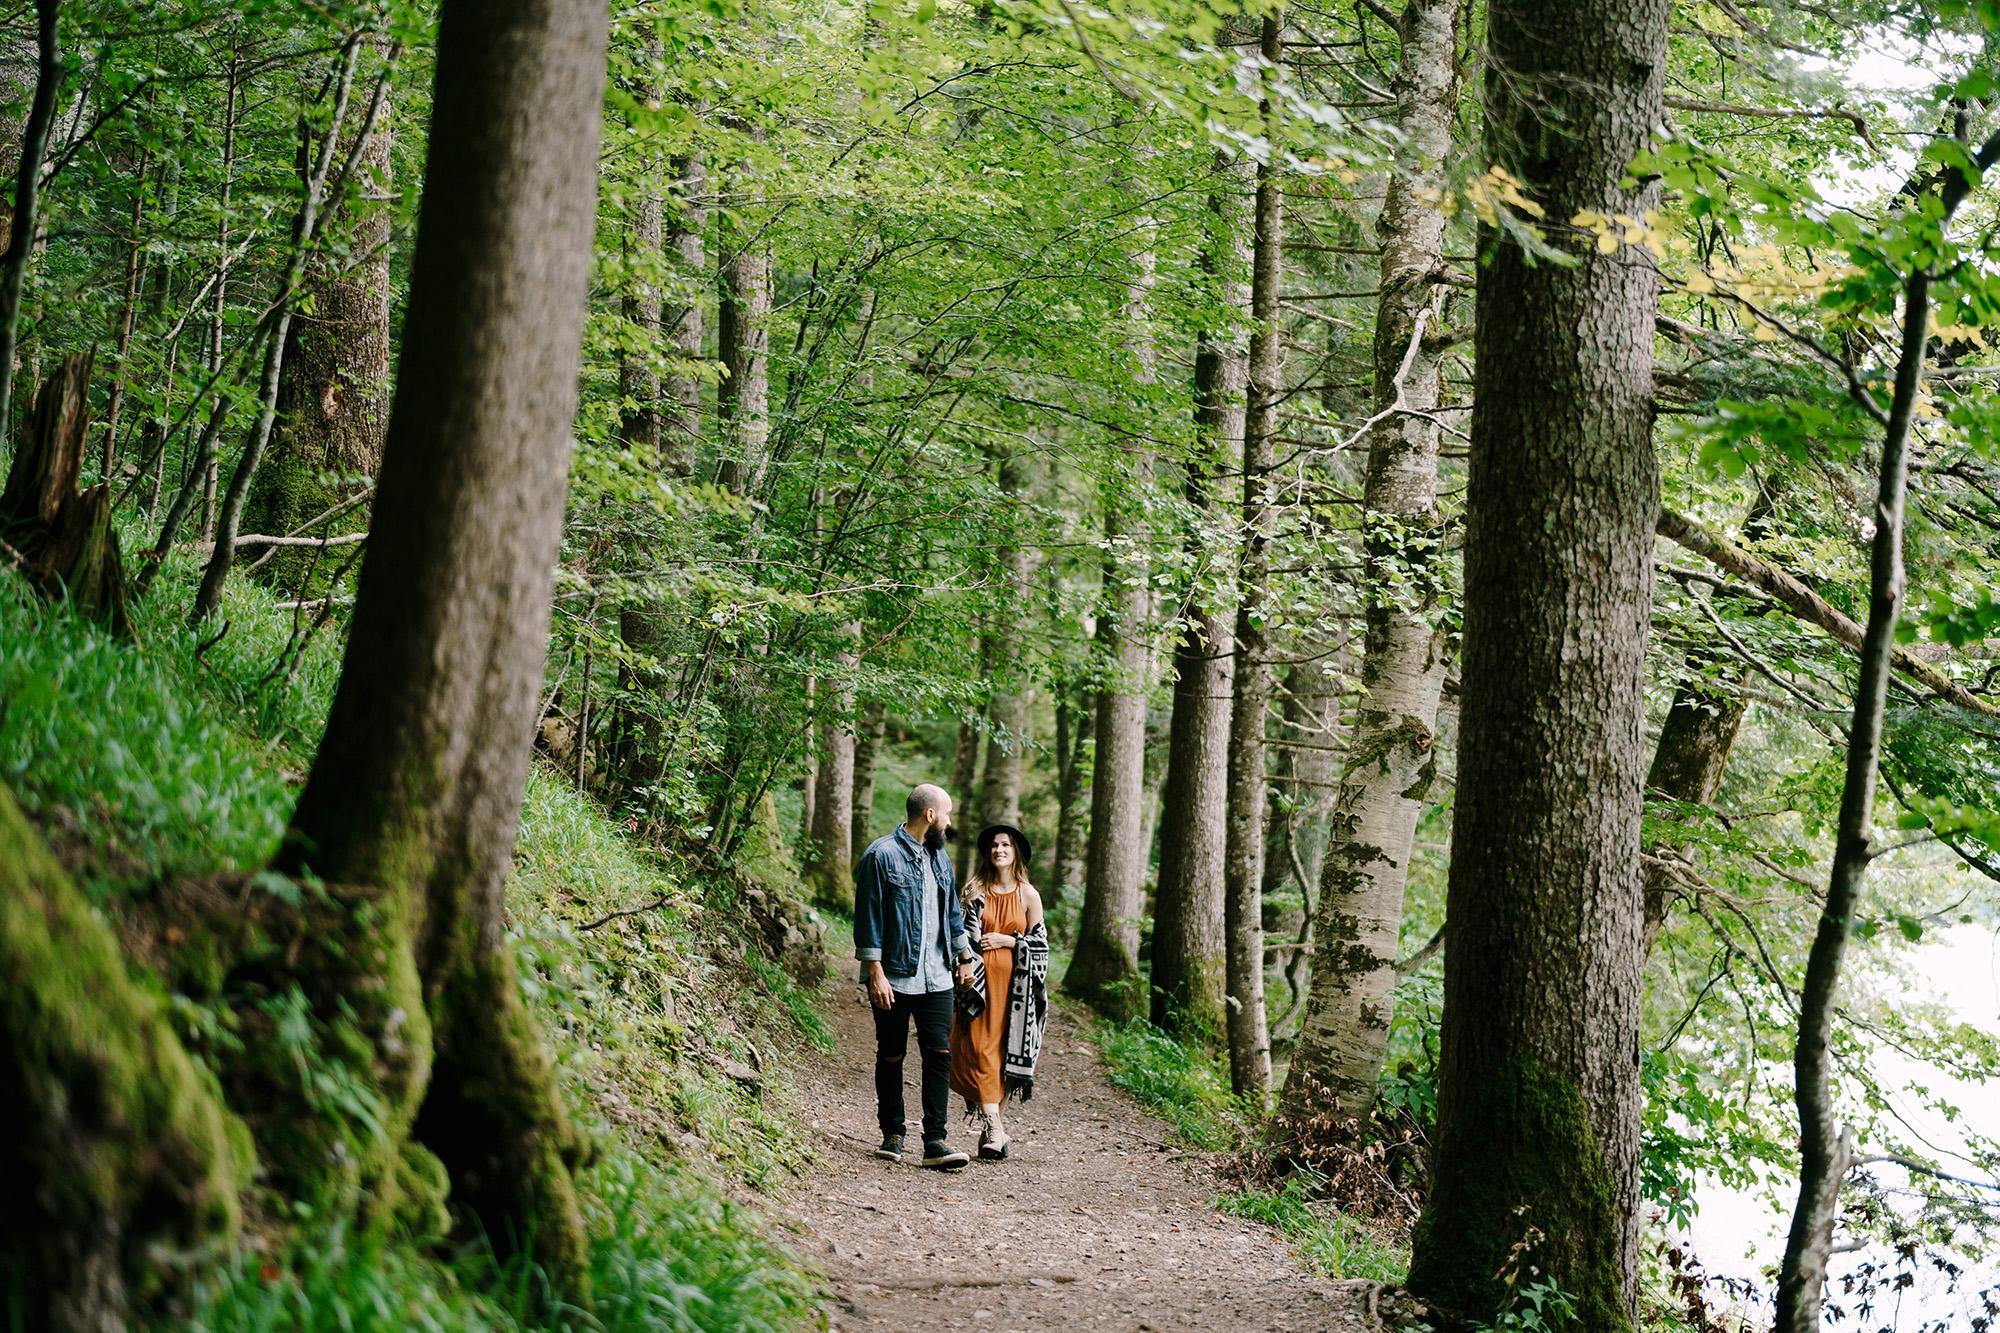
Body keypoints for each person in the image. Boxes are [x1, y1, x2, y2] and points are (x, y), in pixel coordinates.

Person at [853, 782, 976, 1169]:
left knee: (939, 1055)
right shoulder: (881, 856)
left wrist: (964, 956)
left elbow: (952, 914)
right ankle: (892, 1133)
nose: (950, 820)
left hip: (937, 978)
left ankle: (935, 1141)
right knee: (891, 1054)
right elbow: (868, 917)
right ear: (931, 815)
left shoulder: (941, 859)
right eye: (948, 813)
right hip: (894, 975)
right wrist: (875, 972)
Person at [949, 823, 1050, 1160]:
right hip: (979, 987)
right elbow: (961, 935)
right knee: (979, 1050)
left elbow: (1042, 946)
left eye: (1005, 845)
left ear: (1015, 851)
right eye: (994, 846)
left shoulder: (1028, 895)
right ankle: (995, 1129)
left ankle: (994, 1130)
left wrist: (1010, 940)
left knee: (1004, 1056)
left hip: (1016, 991)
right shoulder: (975, 890)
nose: (999, 850)